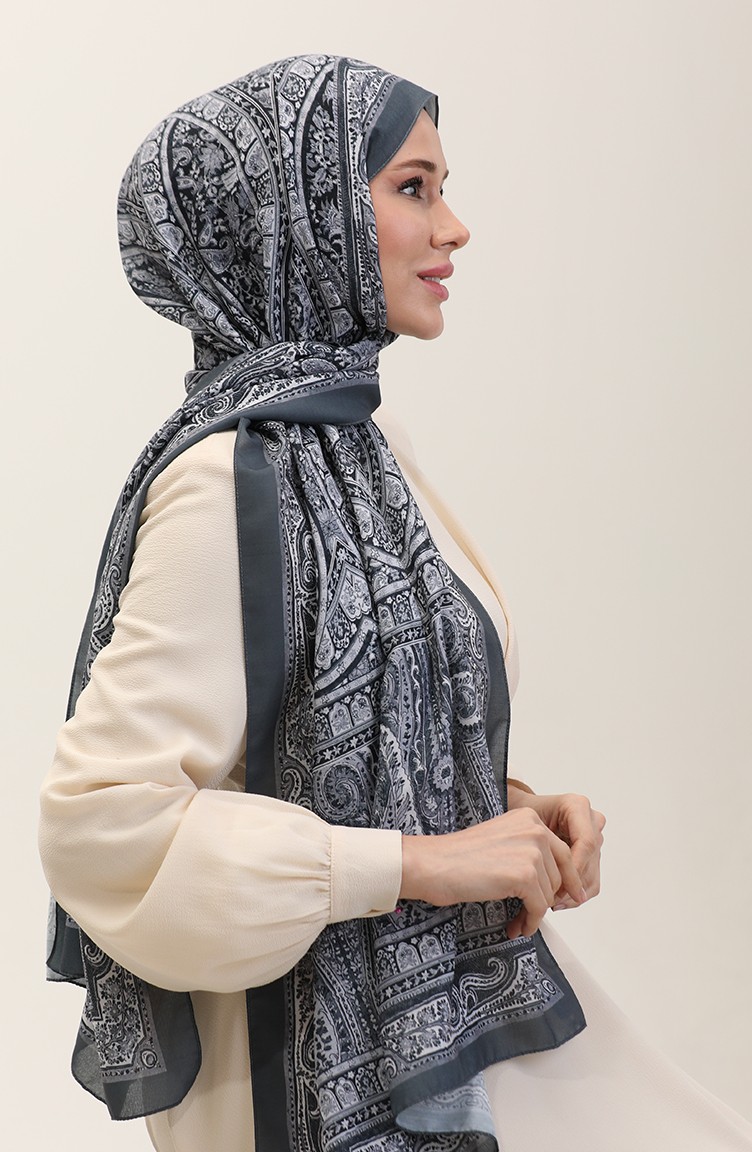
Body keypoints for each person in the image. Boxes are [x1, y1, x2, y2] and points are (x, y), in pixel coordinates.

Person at [39, 55, 752, 1152]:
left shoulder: (363, 449)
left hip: (453, 1022)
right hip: (304, 1081)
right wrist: (422, 865)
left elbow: (333, 736)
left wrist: (504, 810)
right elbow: (99, 824)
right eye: (413, 188)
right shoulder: (230, 481)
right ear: (304, 216)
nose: (453, 227)